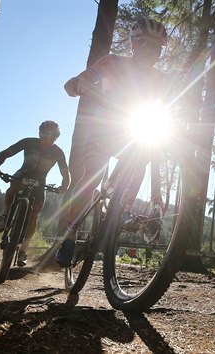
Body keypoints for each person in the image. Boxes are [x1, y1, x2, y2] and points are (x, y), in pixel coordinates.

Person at [55, 18, 171, 267]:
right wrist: (76, 83)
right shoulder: (113, 62)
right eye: (144, 44)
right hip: (104, 129)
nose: (150, 51)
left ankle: (124, 208)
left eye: (156, 48)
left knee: (145, 150)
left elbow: (173, 106)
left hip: (134, 130)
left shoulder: (162, 80)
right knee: (90, 178)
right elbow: (85, 76)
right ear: (133, 44)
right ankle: (69, 237)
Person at [0, 120, 70, 267]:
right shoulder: (28, 142)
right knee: (13, 186)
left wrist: (64, 186)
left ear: (56, 138)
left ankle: (23, 250)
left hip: (40, 180)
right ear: (39, 134)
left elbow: (65, 173)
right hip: (23, 173)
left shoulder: (58, 152)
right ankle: (6, 214)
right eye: (45, 137)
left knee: (34, 215)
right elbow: (5, 153)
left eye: (52, 138)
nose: (47, 141)